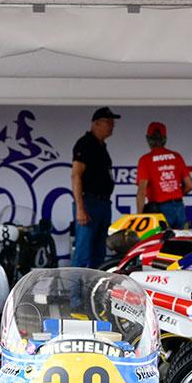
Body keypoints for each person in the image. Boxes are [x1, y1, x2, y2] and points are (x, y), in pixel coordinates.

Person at [71, 107, 118, 268]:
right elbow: (76, 175)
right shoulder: (85, 143)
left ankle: (94, 284)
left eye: (113, 122)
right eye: (108, 122)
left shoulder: (102, 146)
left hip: (103, 203)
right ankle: (75, 286)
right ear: (96, 123)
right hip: (89, 202)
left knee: (99, 253)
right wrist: (80, 208)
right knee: (83, 253)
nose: (112, 125)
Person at [135, 121, 192, 230]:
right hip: (179, 207)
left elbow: (141, 191)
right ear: (165, 138)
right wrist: (175, 195)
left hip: (160, 210)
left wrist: (139, 217)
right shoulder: (176, 157)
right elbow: (190, 185)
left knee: (160, 240)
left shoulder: (145, 160)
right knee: (182, 239)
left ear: (148, 138)